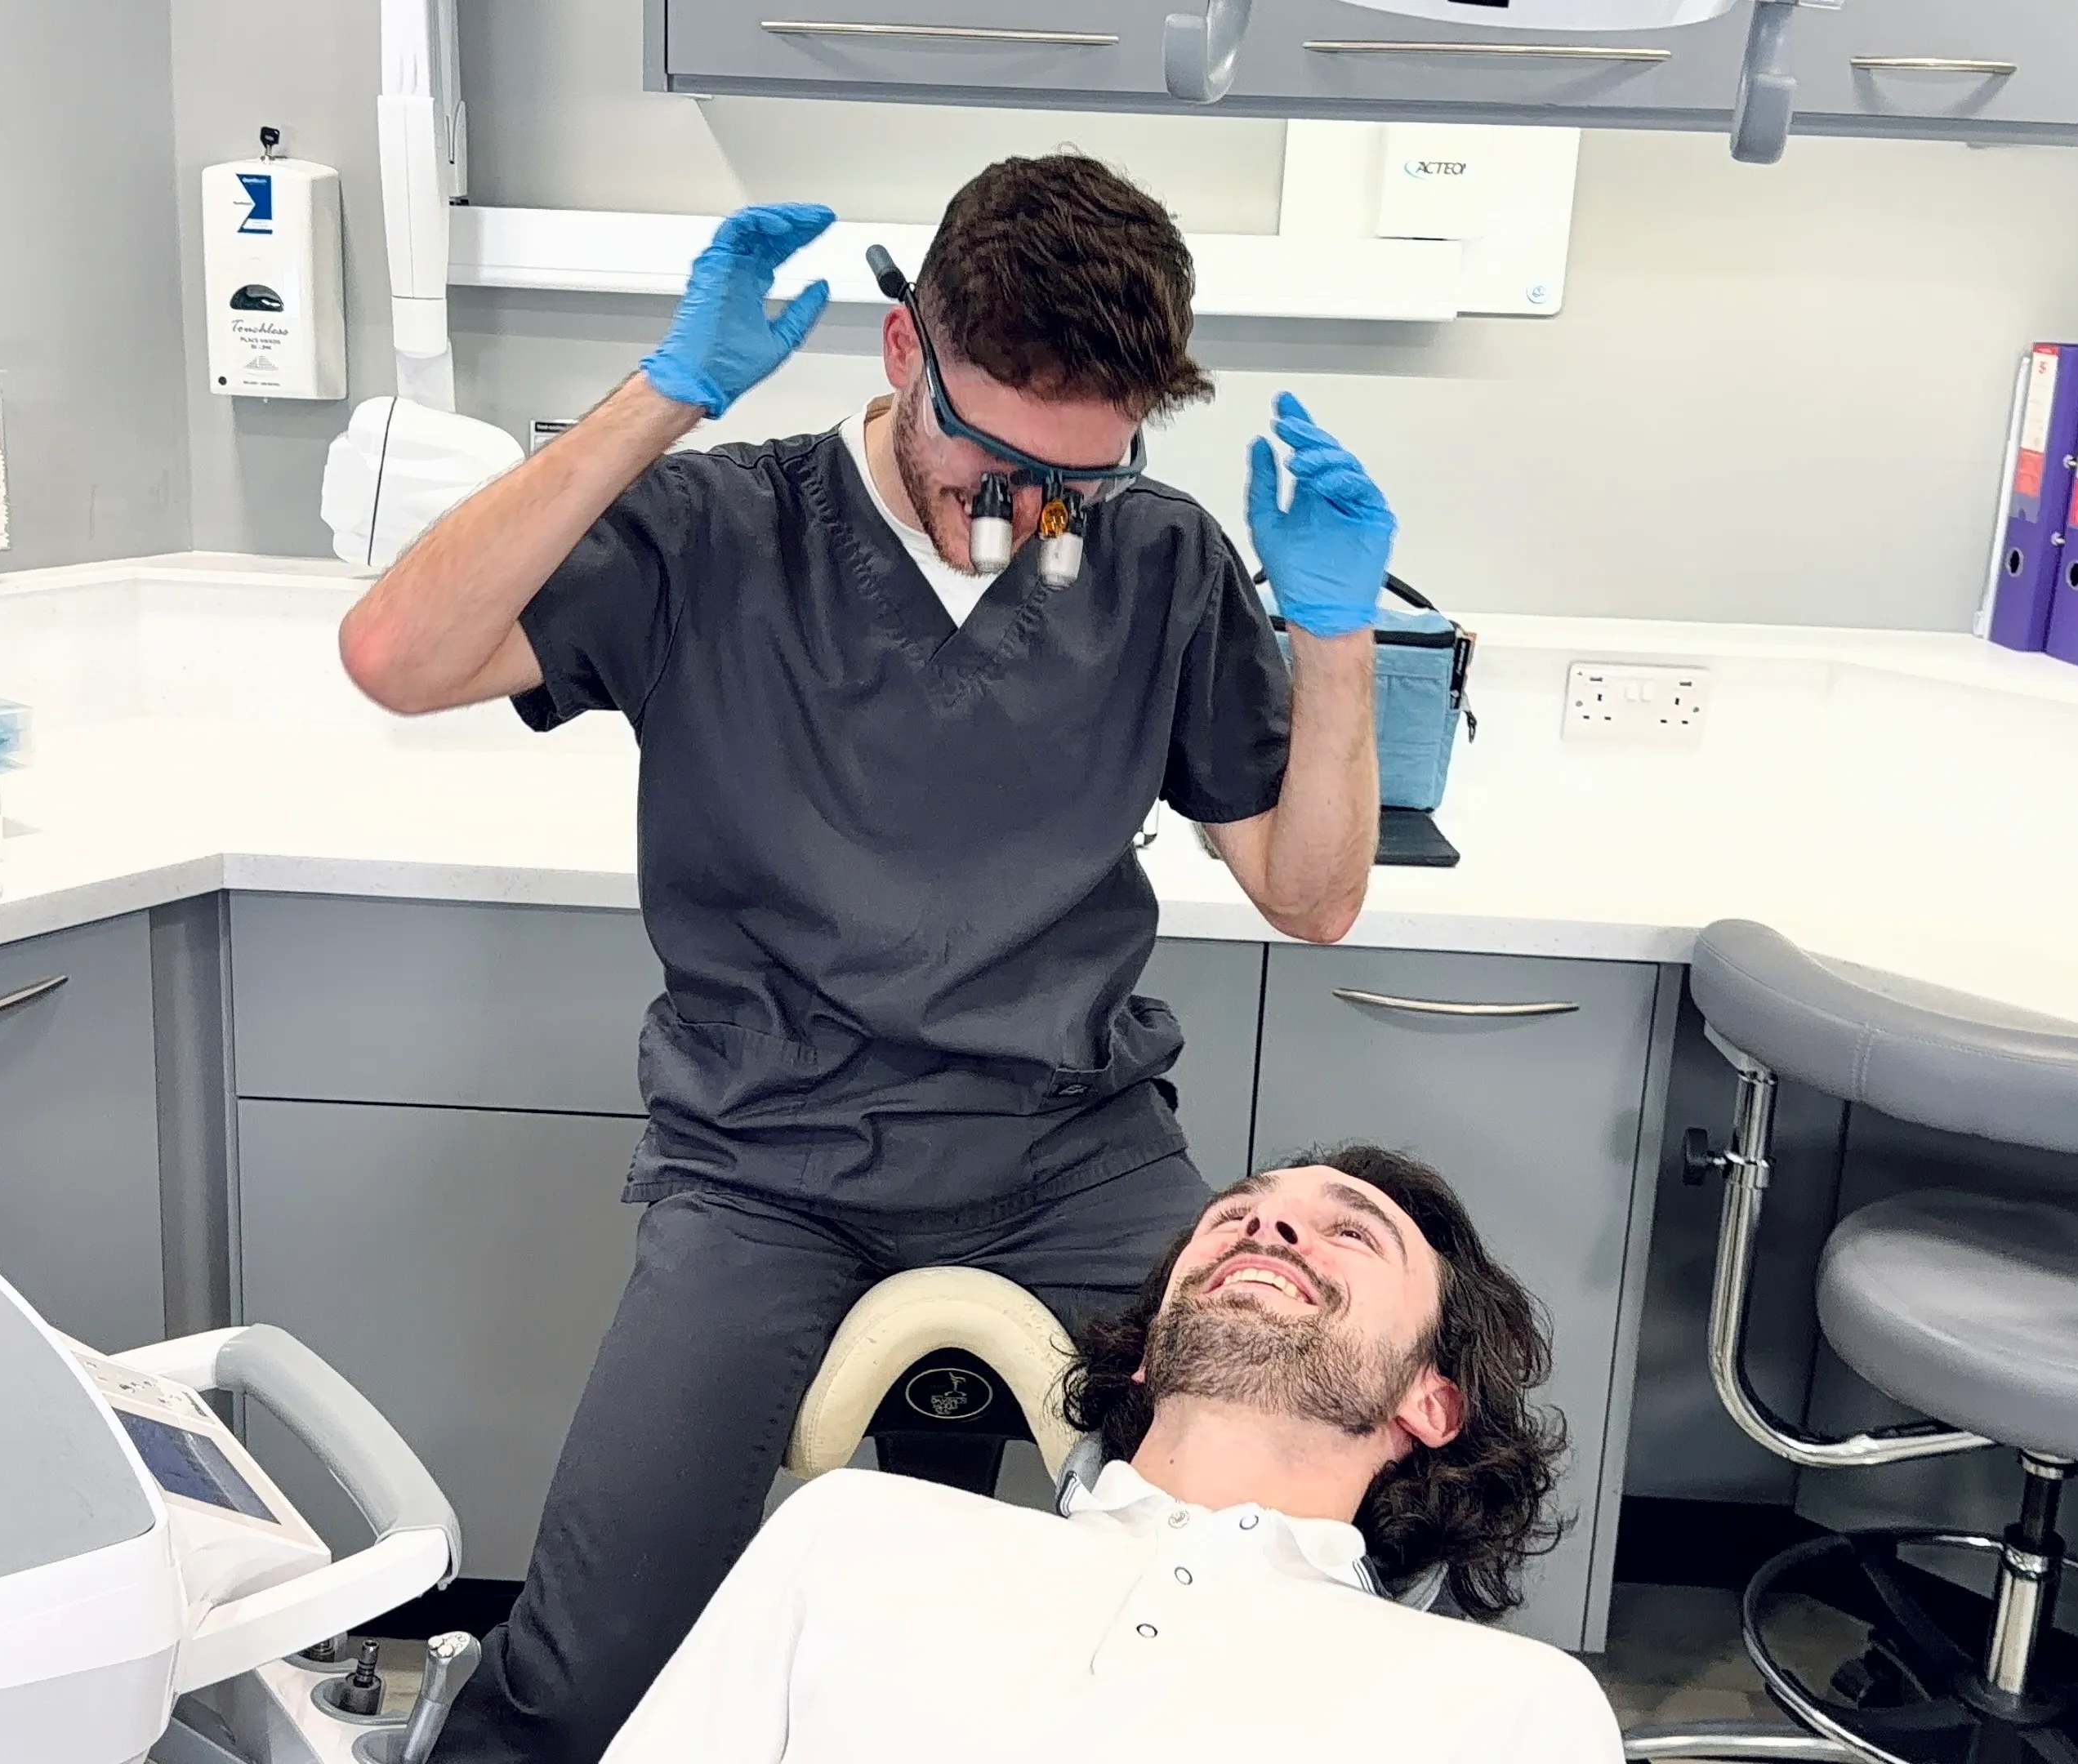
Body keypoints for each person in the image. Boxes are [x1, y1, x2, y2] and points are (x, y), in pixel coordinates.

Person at [337, 155, 1398, 1763]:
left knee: (1279, 1577)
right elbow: (396, 658)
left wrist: (1335, 641)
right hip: (770, 1157)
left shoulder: (1145, 556)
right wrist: (666, 393)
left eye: (1082, 474)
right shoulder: (719, 531)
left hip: (1073, 1149)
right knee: (597, 1654)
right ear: (904, 354)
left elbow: (1312, 898)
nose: (1020, 511)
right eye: (987, 455)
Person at [595, 1146, 1621, 1763]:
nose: (1266, 1223)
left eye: (1351, 1235)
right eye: (1237, 1215)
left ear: (1431, 1401)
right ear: (1142, 1358)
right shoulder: (853, 1532)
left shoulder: (1512, 1708)